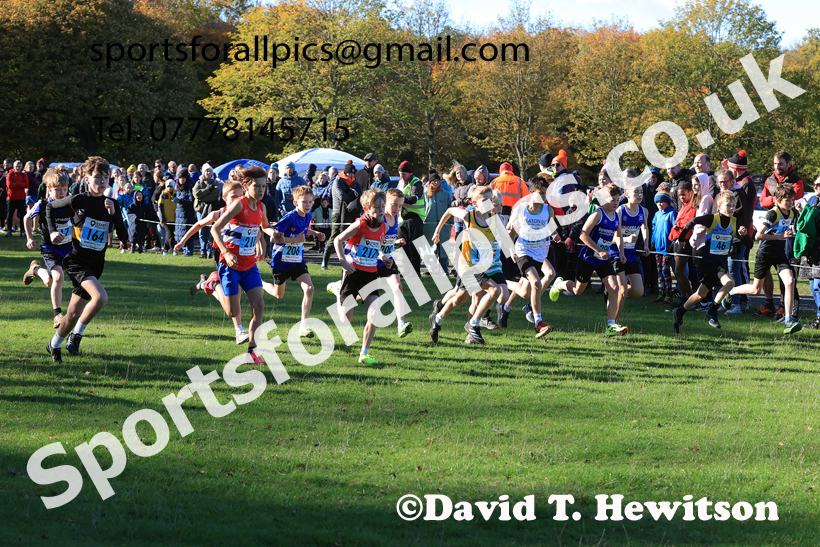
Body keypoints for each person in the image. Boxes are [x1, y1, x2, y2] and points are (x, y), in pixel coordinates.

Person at [45, 156, 129, 362]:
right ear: (87, 178)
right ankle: (77, 335)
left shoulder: (112, 204)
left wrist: (113, 214)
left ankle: (54, 344)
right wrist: (53, 231)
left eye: (106, 177)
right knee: (100, 297)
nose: (102, 181)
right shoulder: (78, 199)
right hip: (76, 260)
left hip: (96, 263)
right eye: (98, 177)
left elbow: (124, 238)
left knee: (73, 314)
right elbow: (50, 207)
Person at [211, 166, 277, 359]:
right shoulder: (239, 205)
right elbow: (215, 229)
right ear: (246, 186)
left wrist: (274, 234)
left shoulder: (262, 207)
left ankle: (252, 353)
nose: (261, 190)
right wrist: (225, 252)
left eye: (264, 186)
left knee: (259, 304)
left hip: (249, 265)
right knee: (233, 312)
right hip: (230, 265)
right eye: (257, 186)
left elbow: (265, 227)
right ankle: (213, 285)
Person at [549, 183, 629, 336]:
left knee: (614, 288)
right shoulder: (598, 214)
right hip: (588, 257)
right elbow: (583, 235)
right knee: (578, 290)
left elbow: (618, 236)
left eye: (618, 199)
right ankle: (560, 284)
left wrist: (621, 253)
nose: (616, 203)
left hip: (603, 260)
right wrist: (599, 250)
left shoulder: (617, 216)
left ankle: (611, 325)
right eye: (612, 199)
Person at [725, 184, 802, 334]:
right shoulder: (773, 214)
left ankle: (788, 320)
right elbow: (758, 236)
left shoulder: (792, 212)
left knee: (790, 281)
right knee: (756, 289)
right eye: (787, 200)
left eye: (792, 199)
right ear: (778, 200)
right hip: (765, 254)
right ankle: (731, 291)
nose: (790, 203)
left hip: (780, 254)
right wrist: (781, 236)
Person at [429, 185, 502, 345]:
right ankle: (473, 325)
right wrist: (437, 231)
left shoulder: (493, 219)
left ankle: (438, 319)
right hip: (467, 265)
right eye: (484, 200)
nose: (488, 203)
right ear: (474, 203)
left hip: (480, 266)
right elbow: (449, 210)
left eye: (490, 199)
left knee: (460, 299)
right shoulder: (469, 216)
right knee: (495, 290)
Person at [673, 191, 753, 333]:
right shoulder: (712, 219)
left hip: (721, 262)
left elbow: (750, 244)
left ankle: (679, 312)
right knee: (730, 283)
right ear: (719, 206)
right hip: (709, 262)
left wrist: (744, 235)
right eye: (728, 205)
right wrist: (682, 238)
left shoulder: (736, 222)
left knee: (700, 295)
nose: (732, 208)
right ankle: (712, 311)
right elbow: (692, 222)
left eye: (734, 205)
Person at [181, 181, 250, 344]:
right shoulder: (218, 214)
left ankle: (209, 284)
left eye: (240, 197)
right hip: (222, 256)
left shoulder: (246, 213)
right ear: (224, 198)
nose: (237, 200)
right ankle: (239, 331)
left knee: (234, 299)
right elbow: (199, 224)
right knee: (234, 296)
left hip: (241, 257)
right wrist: (182, 242)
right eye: (233, 197)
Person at [333, 188, 390, 364]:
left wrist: (383, 257)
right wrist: (343, 261)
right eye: (376, 207)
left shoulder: (384, 225)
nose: (381, 210)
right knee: (346, 320)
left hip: (370, 275)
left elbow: (375, 246)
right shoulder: (360, 224)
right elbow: (338, 240)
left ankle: (364, 353)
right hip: (353, 273)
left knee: (374, 314)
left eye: (382, 206)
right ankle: (337, 290)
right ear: (366, 208)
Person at [262, 185, 325, 337]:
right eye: (304, 202)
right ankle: (260, 283)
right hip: (281, 261)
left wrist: (315, 233)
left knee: (309, 288)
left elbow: (303, 231)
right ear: (295, 202)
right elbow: (273, 238)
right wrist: (295, 239)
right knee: (278, 295)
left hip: (297, 261)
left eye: (310, 201)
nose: (308, 205)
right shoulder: (288, 218)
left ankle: (303, 326)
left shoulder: (308, 216)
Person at [757, 151, 804, 320]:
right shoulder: (769, 180)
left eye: (781, 163)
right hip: (771, 240)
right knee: (761, 280)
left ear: (789, 163)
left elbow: (795, 198)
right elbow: (762, 201)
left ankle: (786, 309)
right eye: (775, 163)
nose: (777, 166)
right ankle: (769, 304)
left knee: (788, 278)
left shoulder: (797, 180)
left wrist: (778, 198)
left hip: (787, 241)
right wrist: (777, 198)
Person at [23, 168, 73, 329]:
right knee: (58, 277)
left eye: (64, 189)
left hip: (68, 248)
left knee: (49, 281)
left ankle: (35, 270)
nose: (62, 193)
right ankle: (57, 315)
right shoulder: (43, 204)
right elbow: (26, 218)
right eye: (58, 190)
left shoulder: (71, 202)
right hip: (50, 248)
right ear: (49, 188)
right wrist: (29, 238)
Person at [614, 185, 651, 316]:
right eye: (636, 192)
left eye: (641, 192)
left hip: (631, 254)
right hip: (616, 253)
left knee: (638, 291)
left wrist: (646, 245)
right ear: (627, 194)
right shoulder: (620, 211)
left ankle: (615, 290)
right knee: (623, 291)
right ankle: (614, 321)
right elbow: (613, 236)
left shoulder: (644, 211)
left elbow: (645, 228)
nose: (640, 195)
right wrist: (626, 240)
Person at [321, 162, 362, 269]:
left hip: (352, 212)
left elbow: (360, 195)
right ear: (345, 172)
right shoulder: (338, 181)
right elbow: (342, 196)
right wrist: (353, 195)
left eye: (353, 174)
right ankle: (324, 262)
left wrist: (355, 197)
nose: (352, 176)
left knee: (352, 236)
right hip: (338, 213)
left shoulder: (355, 183)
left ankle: (351, 260)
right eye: (350, 174)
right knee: (334, 236)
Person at [795, 176, 820, 329]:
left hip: (819, 251)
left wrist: (808, 210)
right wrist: (802, 211)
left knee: (818, 285)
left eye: (819, 185)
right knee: (812, 286)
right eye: (815, 184)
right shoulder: (814, 201)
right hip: (810, 251)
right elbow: (807, 225)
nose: (816, 187)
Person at [668, 180, 697, 304]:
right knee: (678, 271)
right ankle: (683, 297)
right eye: (679, 195)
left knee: (679, 271)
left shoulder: (693, 205)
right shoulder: (684, 204)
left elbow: (689, 221)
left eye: (683, 194)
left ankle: (692, 299)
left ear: (691, 192)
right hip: (677, 238)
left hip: (684, 239)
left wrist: (677, 224)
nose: (681, 197)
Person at [396, 161, 425, 275]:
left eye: (404, 174)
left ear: (409, 173)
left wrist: (399, 197)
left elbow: (414, 199)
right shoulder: (400, 183)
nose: (401, 176)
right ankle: (406, 272)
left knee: (413, 247)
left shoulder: (416, 183)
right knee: (403, 247)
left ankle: (415, 273)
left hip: (414, 218)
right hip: (402, 219)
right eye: (400, 174)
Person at [650, 183, 677, 305]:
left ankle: (669, 295)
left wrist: (673, 243)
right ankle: (662, 293)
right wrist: (652, 241)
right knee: (659, 271)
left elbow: (675, 229)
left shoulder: (672, 213)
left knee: (666, 271)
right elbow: (654, 228)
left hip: (667, 248)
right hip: (658, 249)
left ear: (667, 202)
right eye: (657, 202)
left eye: (662, 201)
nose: (660, 204)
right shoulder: (657, 214)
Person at [423, 172, 451, 273]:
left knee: (443, 247)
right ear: (430, 182)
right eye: (433, 181)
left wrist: (450, 223)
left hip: (444, 225)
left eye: (437, 180)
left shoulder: (445, 194)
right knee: (430, 247)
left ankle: (444, 269)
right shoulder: (425, 194)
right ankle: (432, 269)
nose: (436, 182)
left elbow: (450, 209)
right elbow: (422, 209)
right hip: (429, 225)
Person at [193, 163, 221, 258]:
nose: (208, 173)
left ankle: (210, 251)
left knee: (210, 231)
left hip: (211, 210)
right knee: (201, 231)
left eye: (210, 171)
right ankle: (203, 251)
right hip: (200, 210)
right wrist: (208, 190)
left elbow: (215, 195)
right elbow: (196, 194)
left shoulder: (215, 182)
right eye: (206, 171)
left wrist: (202, 197)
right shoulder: (198, 183)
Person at [6, 160, 29, 236]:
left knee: (22, 214)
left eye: (19, 166)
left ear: (22, 167)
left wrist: (16, 183)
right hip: (11, 197)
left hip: (21, 198)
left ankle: (22, 230)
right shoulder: (10, 174)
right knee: (10, 214)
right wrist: (20, 185)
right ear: (13, 167)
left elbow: (26, 184)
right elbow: (10, 186)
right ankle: (9, 230)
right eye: (16, 166)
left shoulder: (24, 175)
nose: (18, 168)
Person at [157, 181, 177, 253]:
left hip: (174, 218)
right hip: (166, 219)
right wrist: (162, 218)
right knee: (170, 234)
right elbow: (160, 207)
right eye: (168, 186)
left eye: (171, 186)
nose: (169, 188)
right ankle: (173, 249)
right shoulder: (163, 195)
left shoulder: (176, 194)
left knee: (169, 234)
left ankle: (165, 249)